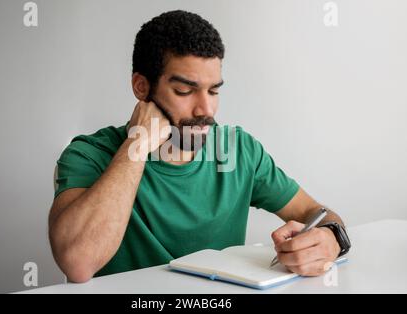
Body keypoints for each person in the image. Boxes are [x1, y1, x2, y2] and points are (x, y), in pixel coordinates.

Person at [48, 10, 349, 283]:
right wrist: (137, 145)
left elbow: (316, 212)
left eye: (214, 91)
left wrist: (332, 238)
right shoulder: (88, 156)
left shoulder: (239, 150)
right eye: (184, 90)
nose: (206, 109)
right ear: (141, 87)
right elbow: (78, 263)